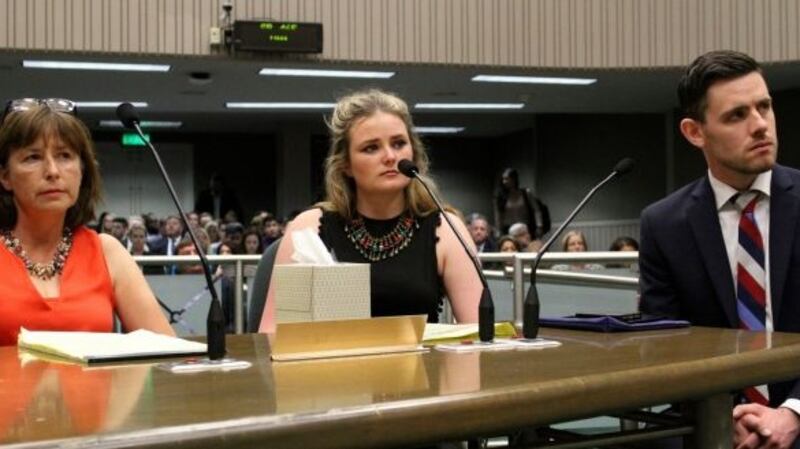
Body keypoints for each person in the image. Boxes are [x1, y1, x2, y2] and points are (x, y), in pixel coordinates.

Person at [638, 50, 800, 449]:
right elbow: (667, 346)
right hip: (711, 419)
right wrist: (721, 417)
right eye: (736, 115)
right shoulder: (664, 224)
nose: (760, 125)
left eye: (764, 107)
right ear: (695, 132)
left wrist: (792, 413)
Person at [259, 89, 481, 333]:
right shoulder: (308, 228)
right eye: (371, 148)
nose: (390, 156)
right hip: (331, 368)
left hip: (422, 368)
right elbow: (271, 336)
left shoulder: (446, 228)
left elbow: (481, 331)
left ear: (413, 153)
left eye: (398, 143)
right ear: (346, 165)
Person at [0, 98, 173, 345]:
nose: (52, 171)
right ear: (5, 176)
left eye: (64, 156)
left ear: (82, 170)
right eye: (33, 157)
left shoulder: (107, 251)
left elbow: (169, 351)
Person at [494, 168, 549, 238]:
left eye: (507, 179)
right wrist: (498, 230)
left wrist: (539, 226)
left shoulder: (526, 193)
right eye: (503, 179)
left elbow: (536, 210)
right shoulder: (501, 197)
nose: (504, 182)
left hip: (525, 228)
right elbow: (498, 215)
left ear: (514, 179)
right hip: (508, 229)